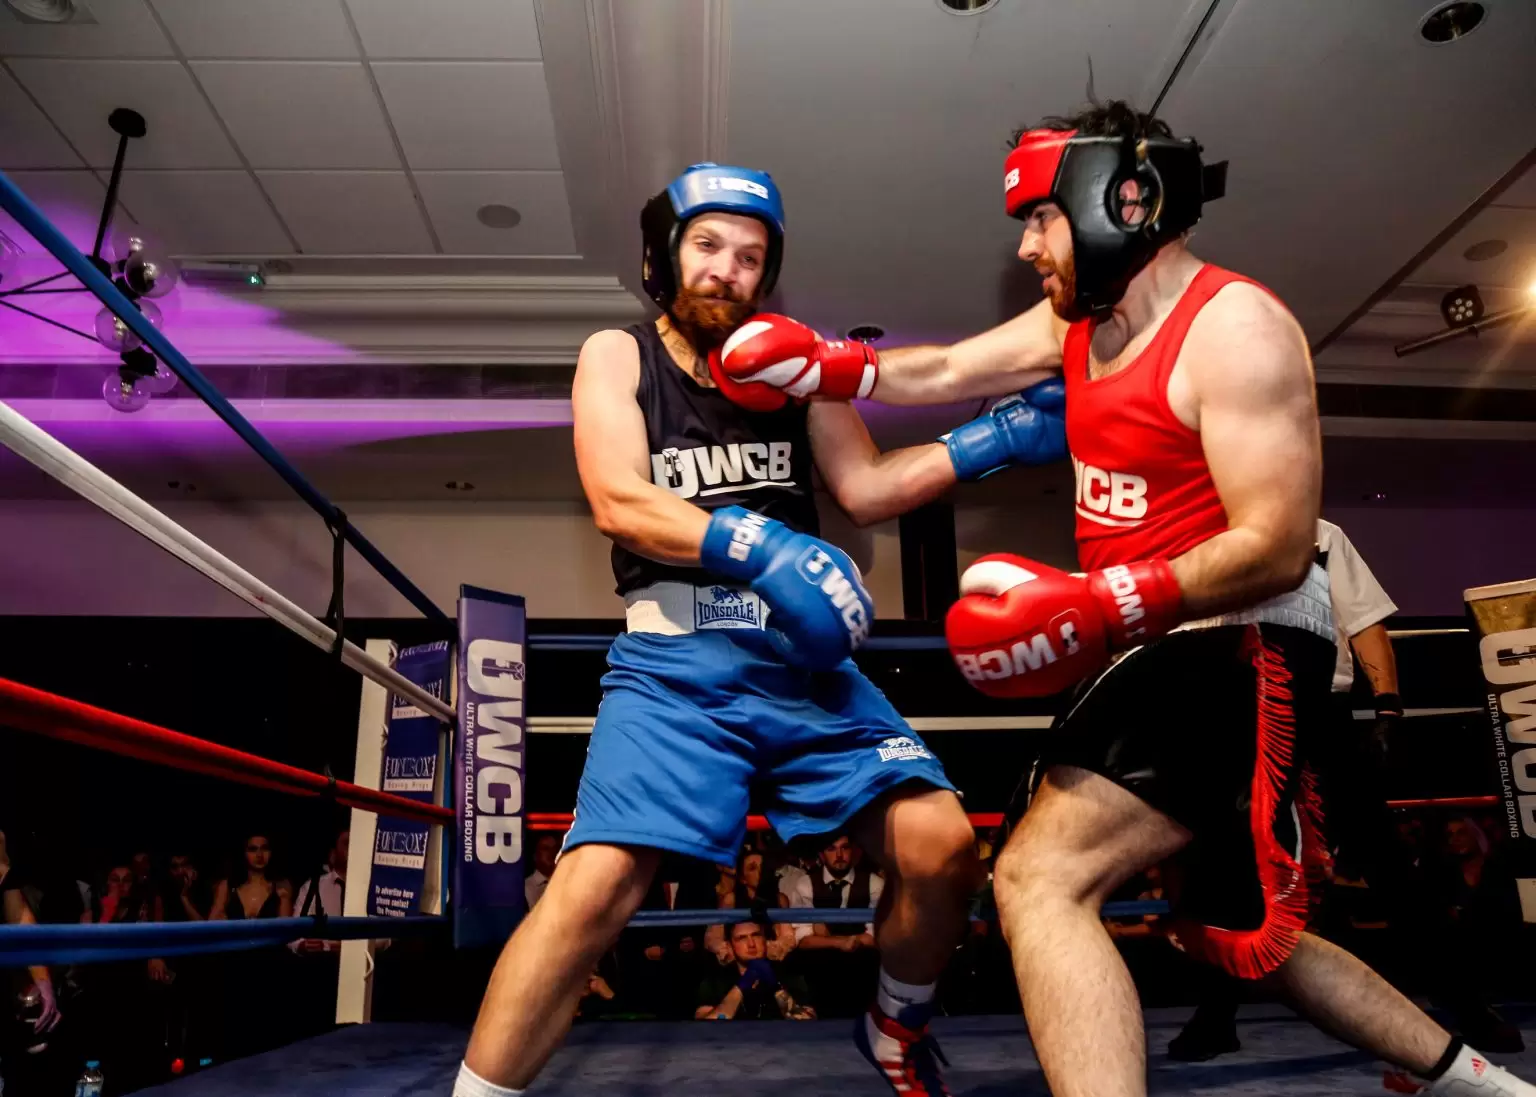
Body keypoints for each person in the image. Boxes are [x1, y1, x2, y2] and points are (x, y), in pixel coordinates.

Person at [712, 100, 1535, 1097]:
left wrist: (1108, 601)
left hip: (1241, 637)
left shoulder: (1236, 328)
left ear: (1123, 200)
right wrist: (835, 363)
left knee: (1039, 877)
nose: (1027, 247)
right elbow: (948, 366)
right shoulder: (1078, 321)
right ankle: (1476, 1080)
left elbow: (1279, 544)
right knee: (1234, 931)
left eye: (1040, 219)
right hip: (1155, 638)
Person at [456, 161, 1066, 1097]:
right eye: (708, 246)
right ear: (665, 255)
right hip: (676, 665)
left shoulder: (795, 366)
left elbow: (866, 488)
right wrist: (757, 543)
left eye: (749, 257)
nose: (727, 271)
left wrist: (990, 439)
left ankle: (894, 1027)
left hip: (802, 661)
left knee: (941, 846)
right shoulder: (620, 353)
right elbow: (618, 498)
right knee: (596, 886)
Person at [1169, 520, 1524, 1060]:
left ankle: (1465, 1004)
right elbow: (1175, 642)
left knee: (1384, 857)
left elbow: (1364, 621)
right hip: (1232, 711)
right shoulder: (1191, 540)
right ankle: (1216, 1015)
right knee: (1230, 866)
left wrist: (1388, 707)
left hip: (1319, 709)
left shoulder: (1318, 533)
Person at [694, 921, 815, 1021]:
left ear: (765, 940)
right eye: (741, 938)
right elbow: (705, 1026)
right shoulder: (716, 980)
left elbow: (807, 1022)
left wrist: (776, 988)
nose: (751, 944)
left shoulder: (789, 974)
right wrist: (743, 984)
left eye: (756, 935)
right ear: (730, 946)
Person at [523, 834, 559, 911]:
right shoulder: (525, 888)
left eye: (555, 849)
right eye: (546, 849)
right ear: (535, 856)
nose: (552, 852)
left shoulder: (565, 883)